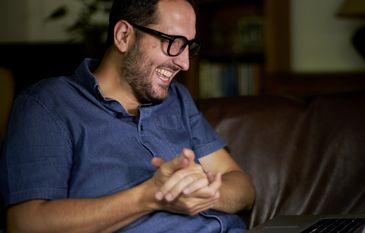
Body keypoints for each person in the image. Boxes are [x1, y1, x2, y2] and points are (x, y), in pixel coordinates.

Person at [0, 0, 256, 232]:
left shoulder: (177, 99)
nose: (185, 63)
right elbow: (25, 223)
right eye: (174, 43)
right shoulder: (48, 103)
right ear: (124, 36)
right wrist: (149, 197)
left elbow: (243, 187)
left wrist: (203, 192)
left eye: (189, 46)